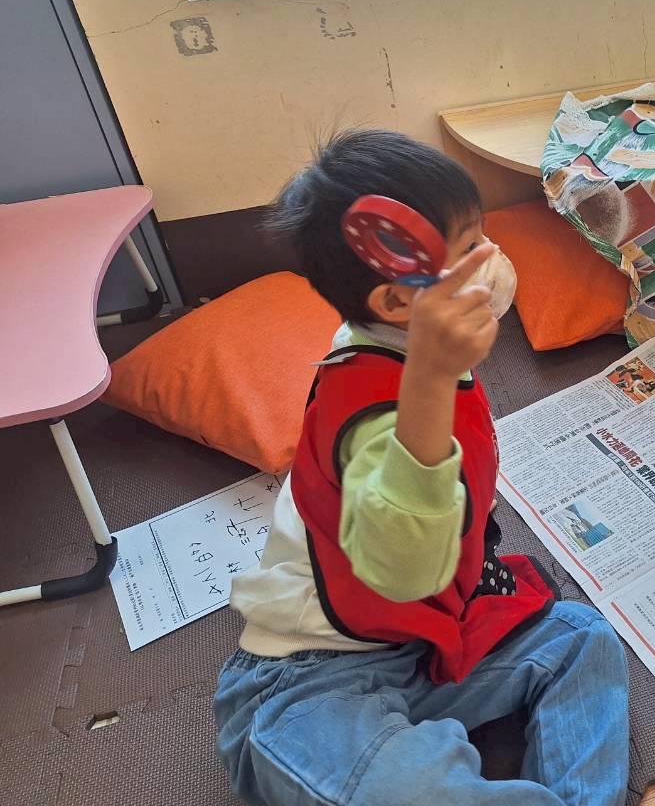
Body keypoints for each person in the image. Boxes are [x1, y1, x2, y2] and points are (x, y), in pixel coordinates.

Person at [213, 131, 629, 806]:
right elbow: (404, 571)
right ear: (397, 305)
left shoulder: (397, 336)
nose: (496, 259)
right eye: (470, 251)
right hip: (312, 678)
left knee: (580, 638)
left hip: (428, 638)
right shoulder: (376, 412)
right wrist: (432, 376)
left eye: (483, 235)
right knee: (408, 789)